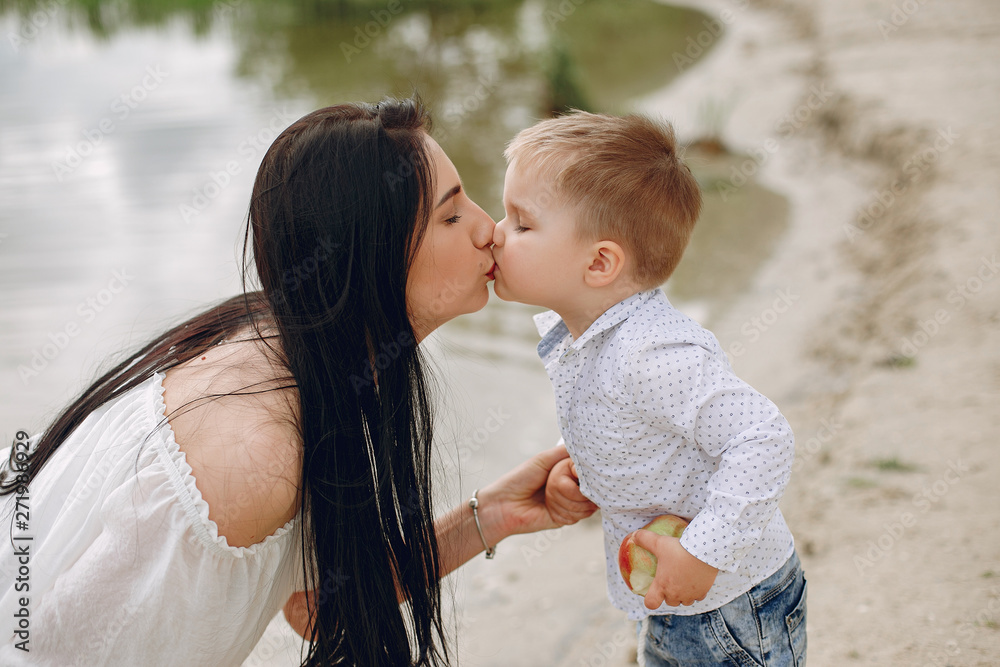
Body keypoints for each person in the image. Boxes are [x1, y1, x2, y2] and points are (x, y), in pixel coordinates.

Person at [0, 98, 597, 667]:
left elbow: (316, 605)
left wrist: (493, 514)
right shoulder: (246, 461)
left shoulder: (296, 343)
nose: (489, 230)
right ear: (370, 257)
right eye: (450, 215)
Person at [491, 110, 807, 666]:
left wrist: (705, 553)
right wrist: (587, 477)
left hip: (730, 605)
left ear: (599, 262)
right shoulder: (593, 337)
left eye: (521, 223)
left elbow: (763, 437)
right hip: (676, 599)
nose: (495, 233)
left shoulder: (651, 353)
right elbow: (642, 435)